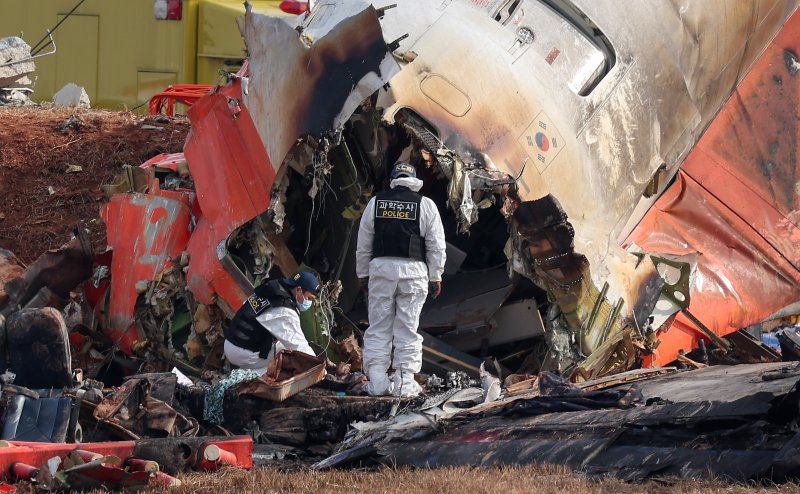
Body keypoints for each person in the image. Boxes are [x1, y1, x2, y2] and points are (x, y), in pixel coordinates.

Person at [356, 162, 446, 397]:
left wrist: (362, 274)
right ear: (414, 180)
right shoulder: (426, 205)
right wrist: (435, 276)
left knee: (378, 326)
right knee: (407, 327)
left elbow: (364, 243)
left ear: (393, 179)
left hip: (381, 270)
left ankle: (377, 382)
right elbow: (436, 246)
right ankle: (404, 383)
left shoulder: (376, 203)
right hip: (414, 273)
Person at [223, 271, 320, 375]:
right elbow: (299, 346)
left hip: (231, 342)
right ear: (299, 290)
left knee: (283, 343)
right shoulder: (284, 309)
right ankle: (251, 376)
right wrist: (321, 370)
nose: (310, 302)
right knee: (288, 354)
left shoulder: (272, 289)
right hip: (241, 353)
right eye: (309, 298)